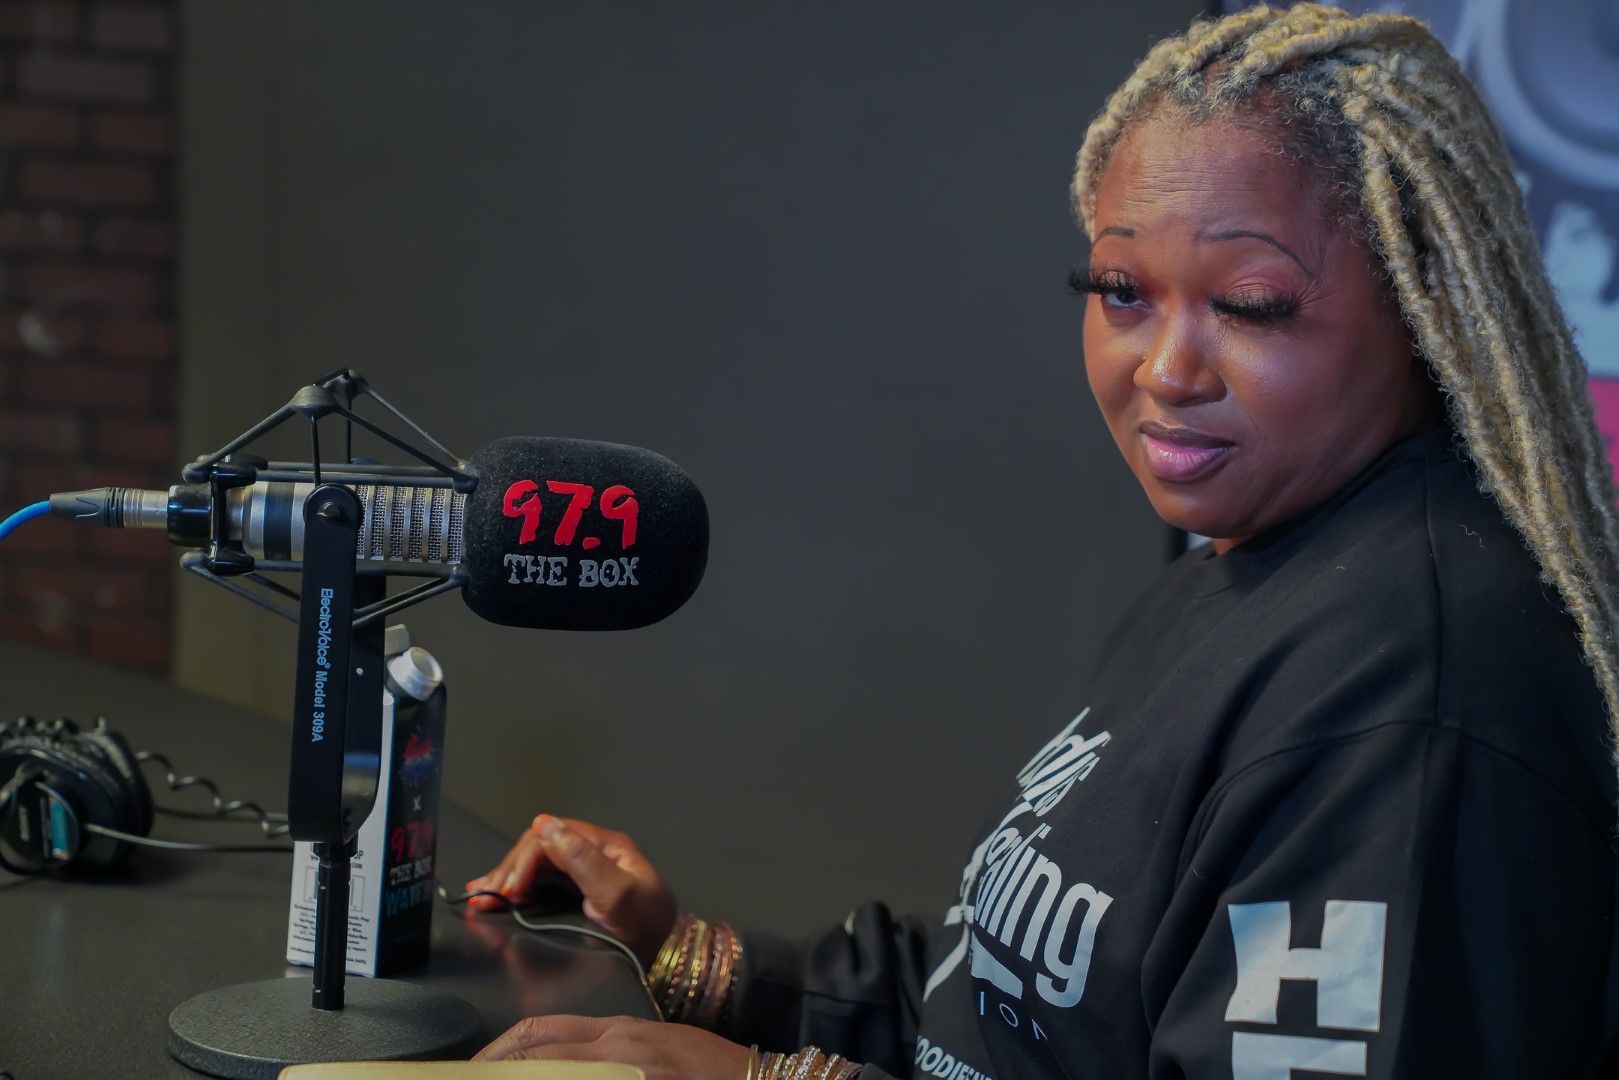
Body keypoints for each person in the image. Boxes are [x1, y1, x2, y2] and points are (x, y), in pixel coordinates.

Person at [467, 5, 1619, 1077]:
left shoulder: (1417, 704)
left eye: (1252, 305)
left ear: (1423, 300)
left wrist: (777, 1078)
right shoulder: (1245, 559)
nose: (1164, 371)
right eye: (1120, 290)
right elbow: (1023, 1005)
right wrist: (693, 963)